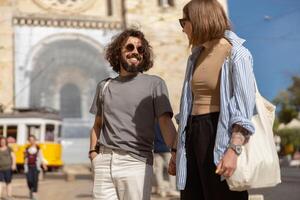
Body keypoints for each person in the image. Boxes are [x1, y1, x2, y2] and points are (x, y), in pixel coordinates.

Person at [170, 0, 257, 199]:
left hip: (219, 132)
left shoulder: (236, 53)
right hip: (192, 133)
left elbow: (243, 110)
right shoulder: (195, 57)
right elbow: (186, 107)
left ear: (200, 20)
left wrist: (233, 150)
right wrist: (176, 150)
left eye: (184, 22)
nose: (182, 29)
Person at [89, 28, 177, 200]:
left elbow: (166, 123)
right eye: (129, 47)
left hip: (136, 163)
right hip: (104, 163)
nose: (135, 52)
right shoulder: (104, 86)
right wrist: (94, 155)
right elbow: (97, 125)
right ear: (117, 52)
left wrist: (176, 154)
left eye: (140, 49)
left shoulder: (155, 84)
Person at [153, 124, 179, 198]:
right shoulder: (164, 121)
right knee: (172, 167)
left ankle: (162, 190)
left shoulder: (152, 123)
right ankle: (172, 188)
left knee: (158, 170)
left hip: (156, 149)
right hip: (166, 148)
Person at [24, 135, 47, 200]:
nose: (31, 141)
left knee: (35, 181)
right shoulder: (26, 149)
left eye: (33, 140)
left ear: (35, 140)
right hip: (28, 167)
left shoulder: (38, 148)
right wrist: (25, 166)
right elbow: (25, 158)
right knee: (29, 180)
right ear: (29, 141)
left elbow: (41, 157)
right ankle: (31, 190)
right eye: (30, 140)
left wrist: (44, 165)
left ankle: (34, 193)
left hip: (36, 167)